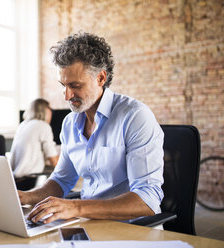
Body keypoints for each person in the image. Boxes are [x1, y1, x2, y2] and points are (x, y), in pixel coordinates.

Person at [19, 32, 164, 224]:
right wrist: (23, 197)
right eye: (63, 85)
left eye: (75, 85)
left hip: (132, 229)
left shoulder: (134, 116)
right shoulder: (70, 123)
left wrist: (76, 207)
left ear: (101, 78)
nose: (67, 95)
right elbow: (61, 181)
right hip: (88, 223)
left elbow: (148, 199)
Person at [10, 98, 59, 190]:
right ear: (45, 110)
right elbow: (54, 161)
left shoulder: (23, 125)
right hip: (30, 179)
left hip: (15, 179)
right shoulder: (43, 126)